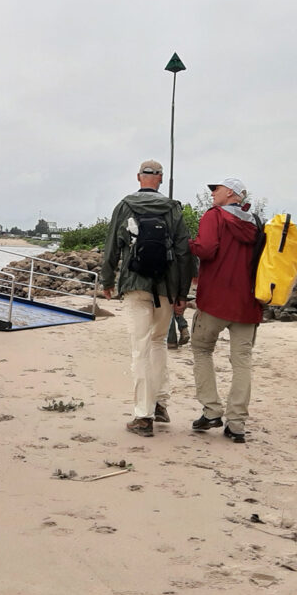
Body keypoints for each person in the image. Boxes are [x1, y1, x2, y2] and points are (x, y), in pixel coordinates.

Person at [101, 160, 193, 437]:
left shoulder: (125, 205)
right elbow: (184, 252)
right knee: (158, 342)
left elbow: (111, 247)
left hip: (135, 284)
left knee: (140, 347)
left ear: (139, 177)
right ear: (161, 179)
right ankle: (160, 402)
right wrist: (182, 294)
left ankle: (143, 415)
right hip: (166, 287)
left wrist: (107, 280)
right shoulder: (173, 209)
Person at [189, 177, 263, 444]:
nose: (212, 193)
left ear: (230, 193)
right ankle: (237, 423)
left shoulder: (214, 216)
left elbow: (207, 250)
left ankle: (211, 410)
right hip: (248, 302)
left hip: (216, 300)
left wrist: (189, 244)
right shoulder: (255, 221)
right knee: (242, 361)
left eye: (216, 189)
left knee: (201, 349)